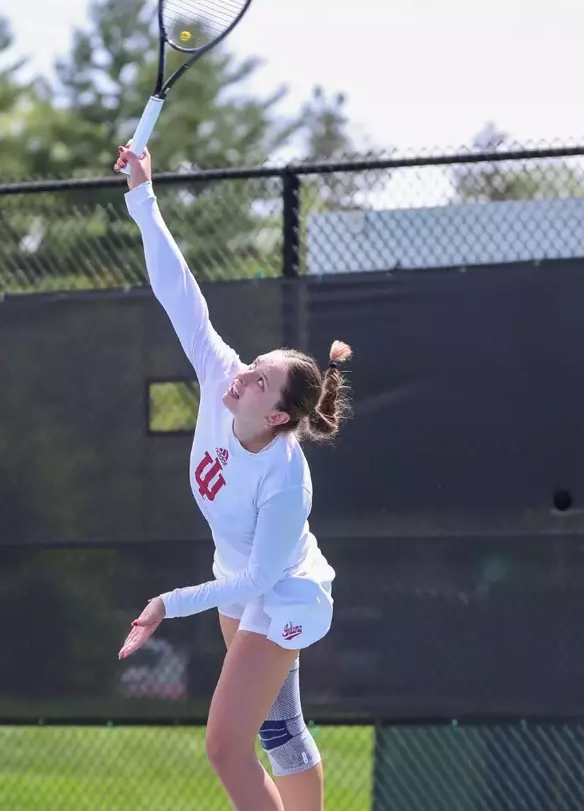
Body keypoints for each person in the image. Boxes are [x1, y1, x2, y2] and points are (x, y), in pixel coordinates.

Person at [112, 144, 351, 811]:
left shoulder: (284, 479)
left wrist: (167, 602)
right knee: (278, 729)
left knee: (225, 746)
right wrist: (143, 197)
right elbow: (179, 296)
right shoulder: (223, 378)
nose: (241, 372)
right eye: (252, 363)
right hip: (237, 580)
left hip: (285, 593)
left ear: (275, 414)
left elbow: (259, 584)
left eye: (259, 377)